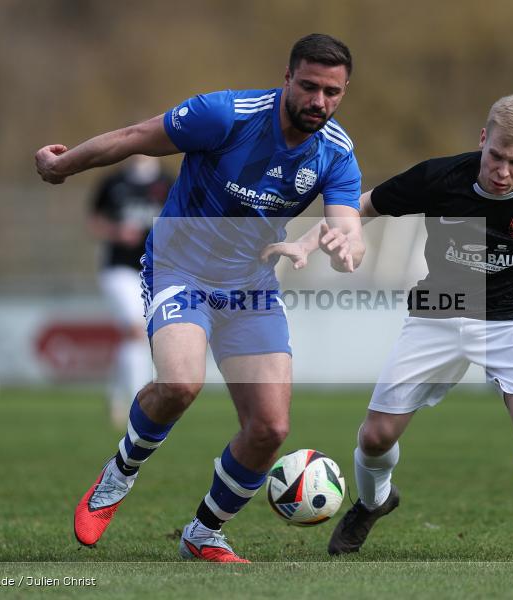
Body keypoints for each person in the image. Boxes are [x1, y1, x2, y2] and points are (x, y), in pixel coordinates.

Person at [267, 94, 513, 559]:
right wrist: (306, 243)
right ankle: (373, 502)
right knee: (375, 437)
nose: (502, 170)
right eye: (496, 156)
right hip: (438, 312)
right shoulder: (440, 178)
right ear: (483, 140)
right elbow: (359, 207)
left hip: (512, 320)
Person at [35, 33, 363, 562]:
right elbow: (135, 137)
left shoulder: (336, 153)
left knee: (270, 428)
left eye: (332, 92)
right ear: (287, 78)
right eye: (308, 87)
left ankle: (204, 533)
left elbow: (348, 223)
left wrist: (347, 244)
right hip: (179, 270)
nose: (318, 102)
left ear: (344, 92)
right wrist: (64, 165)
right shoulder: (225, 115)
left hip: (251, 286)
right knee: (181, 383)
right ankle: (118, 475)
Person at [89, 155, 174, 429]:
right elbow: (94, 221)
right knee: (137, 330)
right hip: (119, 270)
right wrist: (116, 232)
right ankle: (140, 406)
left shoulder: (167, 182)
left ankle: (116, 393)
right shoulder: (114, 182)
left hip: (155, 271)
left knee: (139, 337)